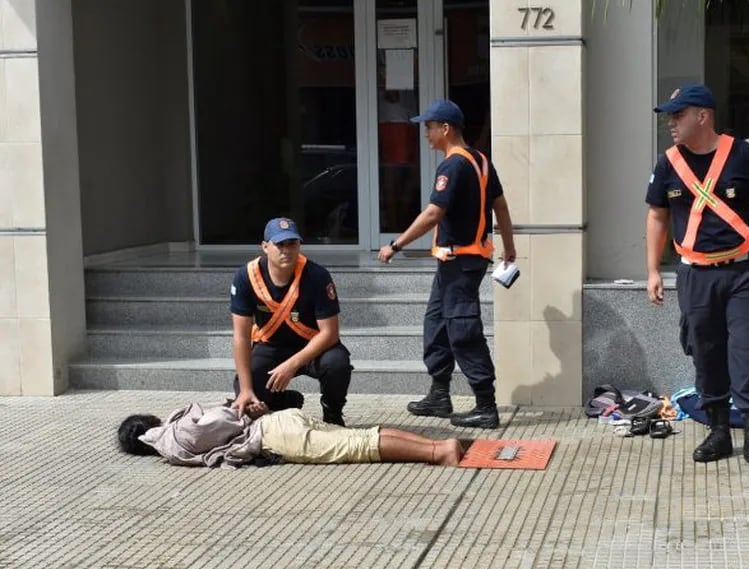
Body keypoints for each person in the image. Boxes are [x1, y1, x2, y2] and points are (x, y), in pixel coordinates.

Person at [645, 84, 749, 472]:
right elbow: (657, 216)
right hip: (696, 274)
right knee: (706, 350)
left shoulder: (742, 154)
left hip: (746, 271)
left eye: (678, 115)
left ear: (703, 116)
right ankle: (718, 431)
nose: (671, 123)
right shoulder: (667, 163)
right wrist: (652, 270)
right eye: (669, 116)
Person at [377, 99, 516, 429]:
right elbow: (501, 207)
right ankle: (439, 395)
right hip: (456, 261)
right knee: (436, 325)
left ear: (446, 128)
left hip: (462, 261)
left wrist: (396, 244)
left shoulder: (453, 166)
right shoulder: (482, 161)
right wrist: (510, 248)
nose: (425, 133)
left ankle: (485, 406)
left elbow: (433, 214)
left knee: (463, 329)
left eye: (428, 127)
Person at [230, 217, 352, 426]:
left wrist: (292, 364)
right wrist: (246, 390)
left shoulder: (317, 276)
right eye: (279, 244)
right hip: (270, 345)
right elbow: (241, 336)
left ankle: (333, 413)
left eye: (292, 244)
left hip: (314, 347)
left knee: (337, 364)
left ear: (299, 245)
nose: (286, 250)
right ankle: (283, 401)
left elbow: (330, 333)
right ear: (265, 247)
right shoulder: (246, 277)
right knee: (246, 387)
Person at [117, 399, 464, 468]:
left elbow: (223, 424)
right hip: (280, 423)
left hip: (273, 436)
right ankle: (437, 445)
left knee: (358, 445)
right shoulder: (174, 429)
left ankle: (437, 453)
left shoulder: (173, 440)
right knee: (360, 435)